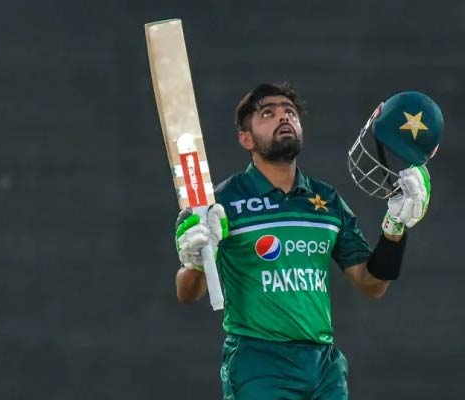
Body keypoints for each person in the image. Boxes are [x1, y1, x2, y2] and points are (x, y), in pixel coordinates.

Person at [174, 83, 431, 400]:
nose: (283, 117)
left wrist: (396, 227)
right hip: (259, 363)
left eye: (290, 112)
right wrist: (195, 261)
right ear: (246, 138)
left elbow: (372, 284)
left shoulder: (325, 199)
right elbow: (188, 293)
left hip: (324, 367)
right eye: (268, 113)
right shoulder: (223, 202)